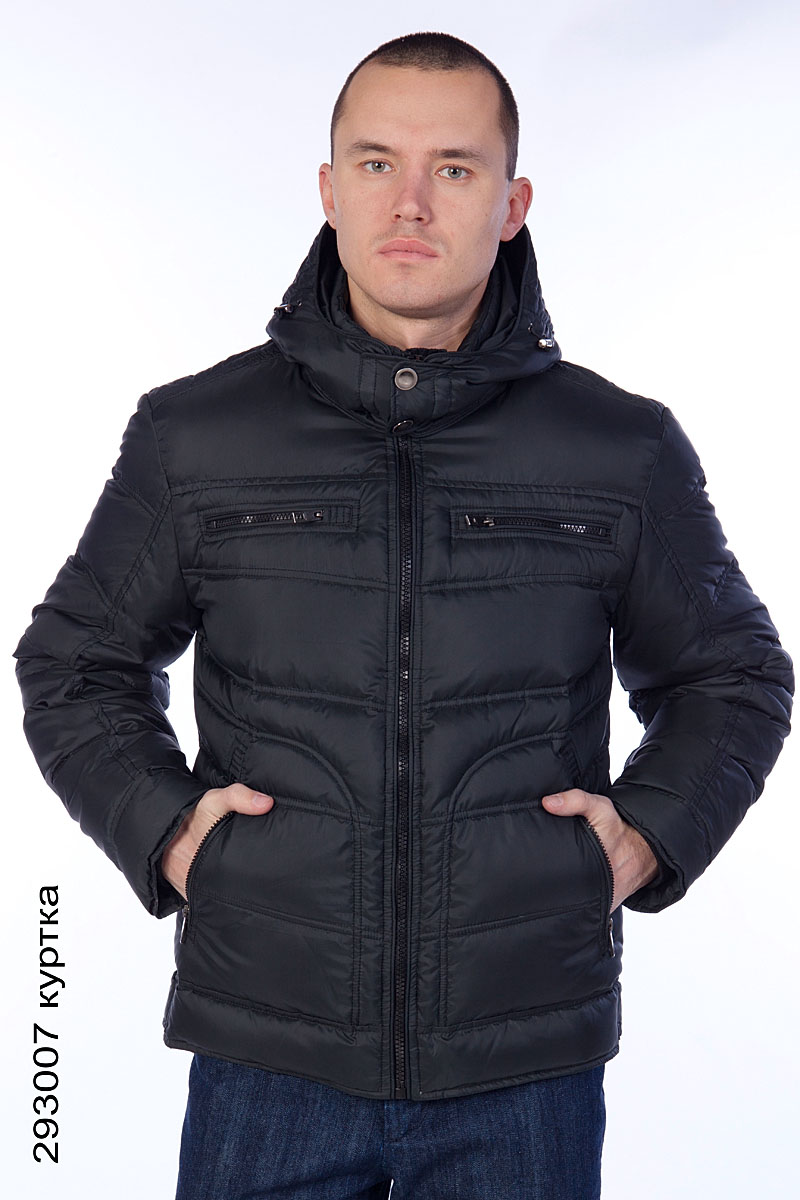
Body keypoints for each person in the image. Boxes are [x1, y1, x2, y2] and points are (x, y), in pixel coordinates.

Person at [14, 30, 792, 1200]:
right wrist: (169, 833)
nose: (410, 203)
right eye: (376, 163)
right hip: (266, 1052)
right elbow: (73, 662)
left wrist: (644, 835)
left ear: (511, 204)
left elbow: (731, 676)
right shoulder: (196, 435)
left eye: (454, 168)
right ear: (328, 190)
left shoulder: (617, 448)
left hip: (521, 1062)